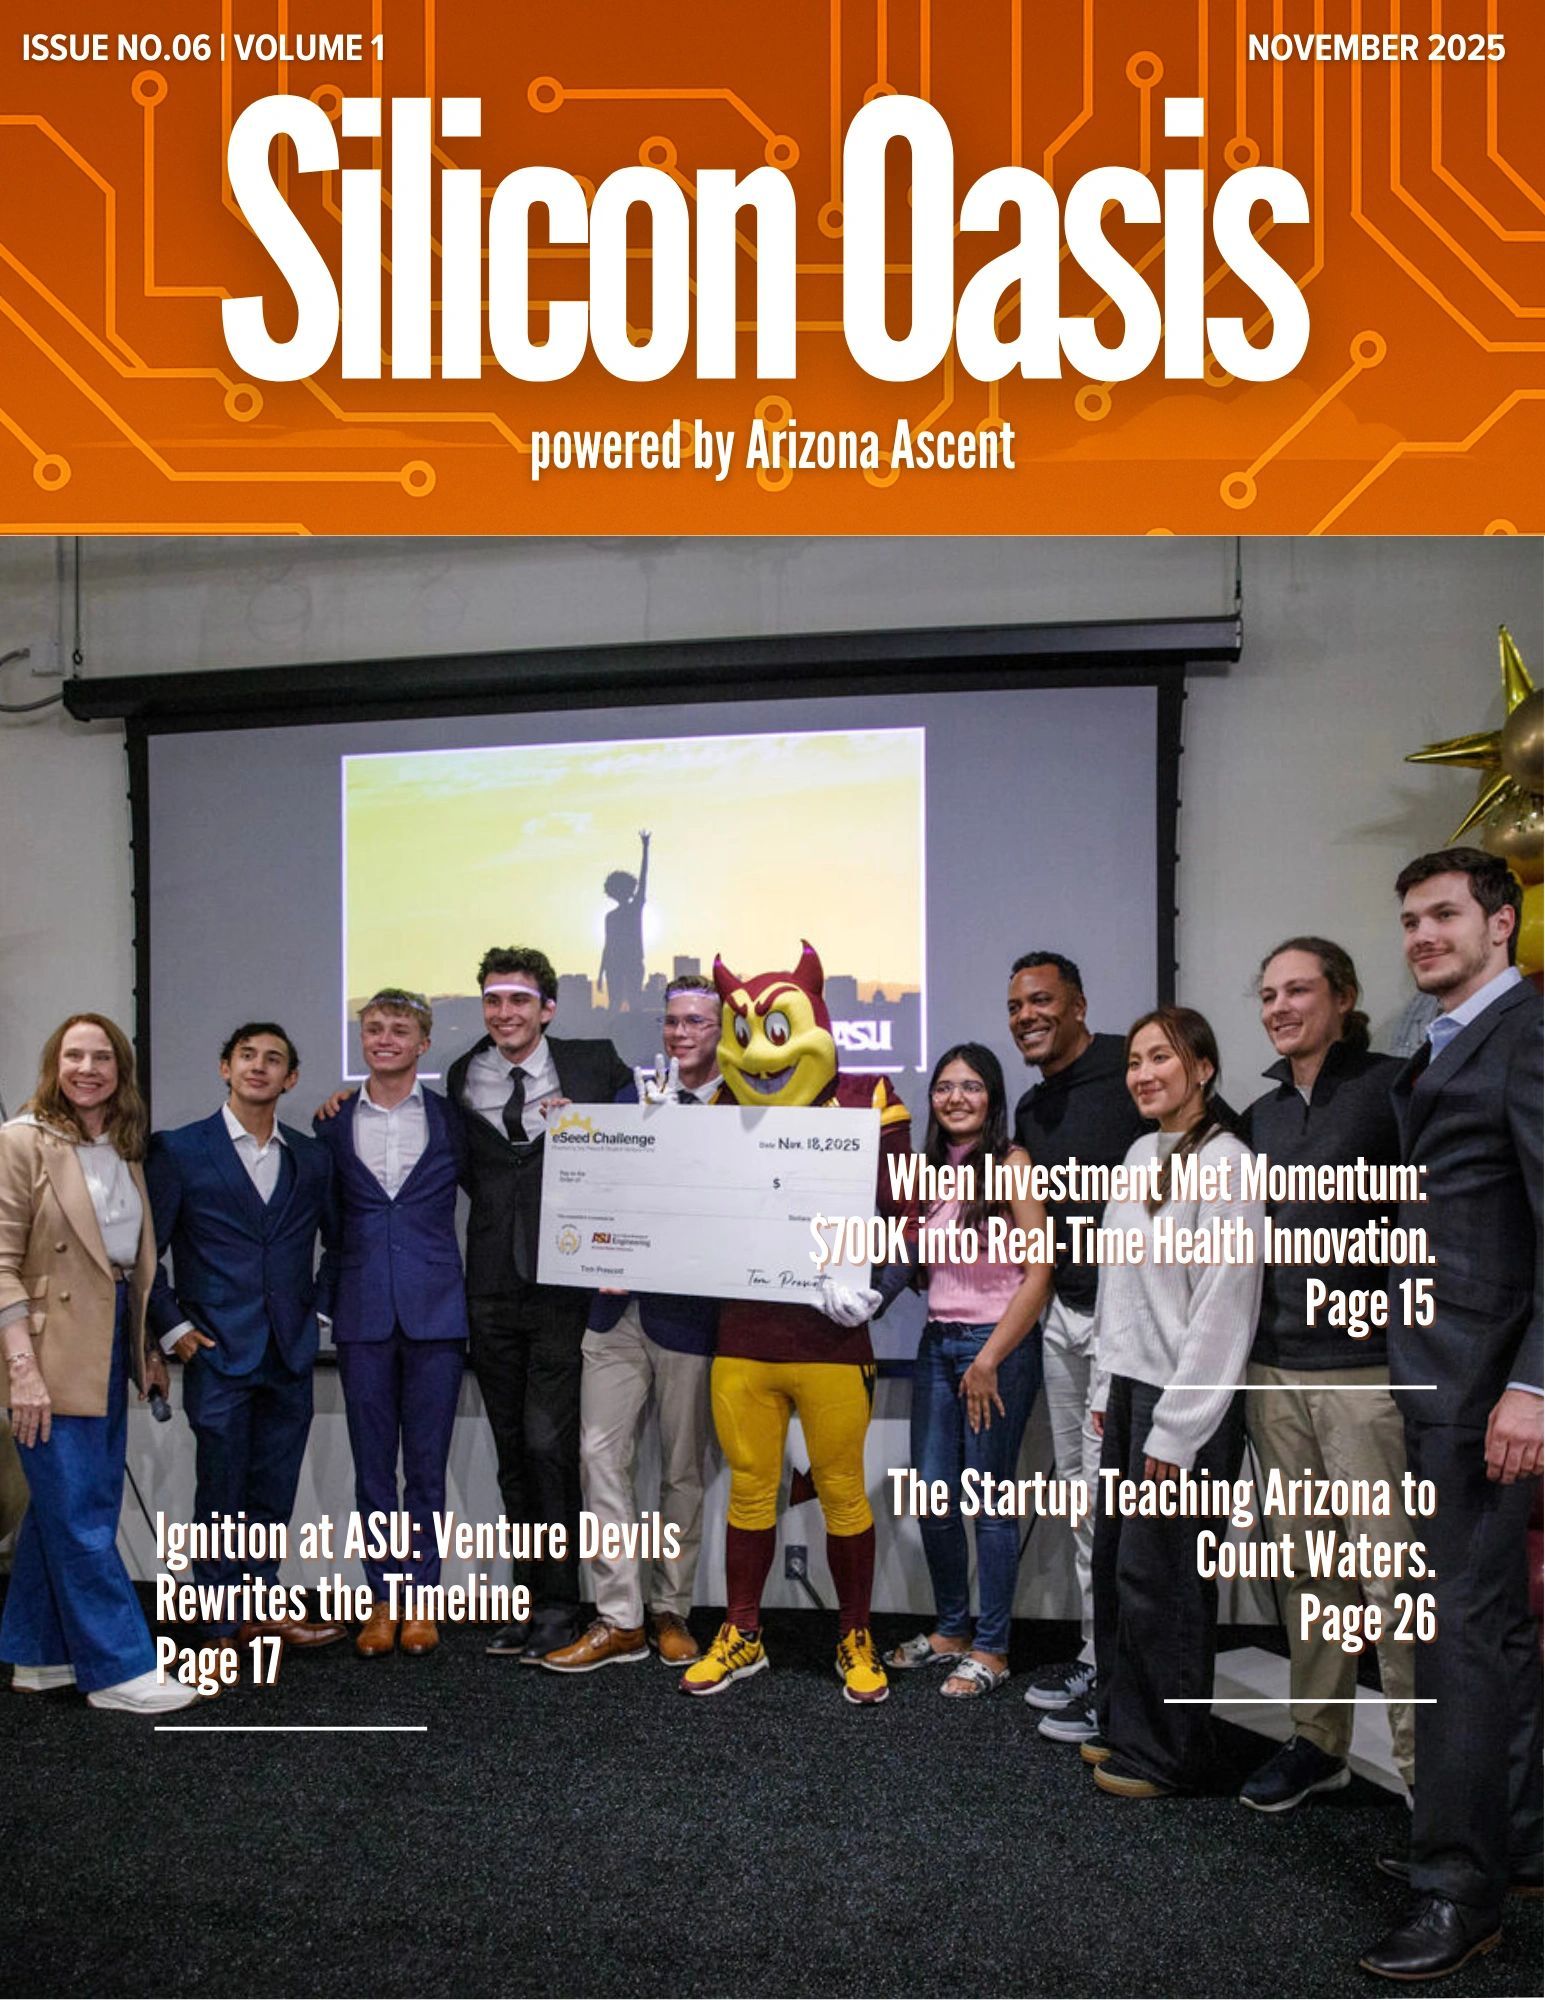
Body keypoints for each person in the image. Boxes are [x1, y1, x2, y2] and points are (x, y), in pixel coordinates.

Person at [1359, 848, 1542, 1983]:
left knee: (1460, 1639)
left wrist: (1536, 1381)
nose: (1422, 934)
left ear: (1503, 923)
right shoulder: (1447, 1040)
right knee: (1492, 1634)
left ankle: (1455, 1889)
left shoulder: (1528, 1034)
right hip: (1445, 1376)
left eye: (1443, 915)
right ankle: (1506, 1845)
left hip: (1488, 1390)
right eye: (1410, 917)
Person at [682, 941, 914, 1704]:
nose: (756, 1051)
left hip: (832, 1340)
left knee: (843, 1490)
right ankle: (743, 1631)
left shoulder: (867, 1097)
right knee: (751, 1490)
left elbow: (905, 1218)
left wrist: (878, 1289)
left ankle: (855, 1633)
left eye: (774, 1029)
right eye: (740, 1032)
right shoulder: (717, 1108)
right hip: (743, 1340)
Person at [1237, 938, 1416, 1811]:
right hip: (1272, 1370)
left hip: (1365, 1372)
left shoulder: (1394, 1088)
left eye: (1297, 989)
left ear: (1342, 997)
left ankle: (1433, 1786)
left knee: (1388, 1578)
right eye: (1267, 993)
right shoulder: (1259, 1114)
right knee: (1308, 1569)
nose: (1278, 1006)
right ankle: (1318, 1743)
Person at [1088, 1006, 1264, 1798]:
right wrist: (1102, 1390)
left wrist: (1175, 1431)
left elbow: (1223, 1312)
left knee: (1166, 1587)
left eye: (1161, 1057)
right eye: (1133, 1061)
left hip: (1183, 1407)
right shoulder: (1135, 1153)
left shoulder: (1227, 1165)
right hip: (1129, 1393)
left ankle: (1168, 1753)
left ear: (1202, 1068)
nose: (1142, 1073)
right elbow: (1118, 1287)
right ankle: (1127, 1728)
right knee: (1123, 1573)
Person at [0, 1016, 195, 1712]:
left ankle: (41, 1655)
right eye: (74, 1055)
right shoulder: (21, 1141)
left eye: (102, 1056)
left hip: (111, 1340)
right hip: (45, 1352)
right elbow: (0, 1266)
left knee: (69, 1505)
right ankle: (119, 1670)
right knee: (82, 1512)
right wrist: (22, 1371)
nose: (88, 1067)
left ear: (122, 1070)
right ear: (55, 1064)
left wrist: (143, 1346)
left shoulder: (125, 1147)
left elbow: (124, 1262)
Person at [446, 946, 631, 1662]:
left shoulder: (594, 1064)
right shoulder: (466, 1073)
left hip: (563, 1282)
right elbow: (472, 1174)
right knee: (509, 1453)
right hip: (489, 1283)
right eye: (493, 1000)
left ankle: (562, 1602)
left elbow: (634, 1148)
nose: (505, 1014)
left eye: (519, 1001)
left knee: (549, 1444)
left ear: (547, 1008)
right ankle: (530, 1600)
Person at [542, 974, 723, 1673]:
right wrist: (571, 1137)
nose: (680, 1035)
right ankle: (617, 1617)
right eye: (672, 1022)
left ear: (718, 1031)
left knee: (680, 1472)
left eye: (695, 1024)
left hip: (691, 1319)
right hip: (613, 1311)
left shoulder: (744, 1111)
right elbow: (595, 1192)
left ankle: (669, 1609)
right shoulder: (626, 1100)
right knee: (599, 1460)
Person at [147, 1022, 343, 1662]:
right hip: (215, 1352)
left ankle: (258, 1611)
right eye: (247, 1056)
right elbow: (147, 1254)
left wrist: (315, 1308)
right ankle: (214, 1628)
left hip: (288, 1352)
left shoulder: (311, 1155)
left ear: (290, 1079)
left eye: (274, 1060)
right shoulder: (178, 1150)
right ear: (224, 1067)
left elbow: (338, 1245)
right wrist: (173, 1328)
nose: (259, 1067)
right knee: (220, 1493)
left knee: (271, 1491)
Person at [1007, 951, 1145, 1739]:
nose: (1025, 1016)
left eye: (1039, 1001)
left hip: (1129, 1329)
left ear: (1078, 1004)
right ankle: (1099, 1661)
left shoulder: (1131, 1069)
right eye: (1014, 1006)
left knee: (1120, 1510)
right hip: (1063, 1319)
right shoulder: (1030, 1110)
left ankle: (1126, 1682)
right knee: (1082, 1507)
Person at [884, 1044, 1051, 1697]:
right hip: (936, 1344)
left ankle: (991, 1648)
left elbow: (1039, 1272)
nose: (956, 1097)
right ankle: (951, 1629)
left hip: (995, 1349)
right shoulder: (926, 1171)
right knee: (932, 1494)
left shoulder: (1011, 1164)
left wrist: (988, 1358)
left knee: (987, 1498)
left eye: (971, 1086)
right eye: (944, 1087)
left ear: (992, 1096)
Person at [312, 989, 469, 1659]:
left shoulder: (453, 1119)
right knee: (374, 1469)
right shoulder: (331, 1120)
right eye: (373, 1028)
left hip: (437, 1311)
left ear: (422, 1043)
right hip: (362, 1312)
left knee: (427, 1470)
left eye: (398, 1029)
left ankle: (421, 1600)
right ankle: (381, 1600)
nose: (384, 1038)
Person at [598, 829, 650, 1014]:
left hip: (632, 961)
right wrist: (600, 973)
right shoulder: (611, 917)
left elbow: (644, 878)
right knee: (616, 1003)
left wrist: (645, 848)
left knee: (635, 1002)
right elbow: (608, 945)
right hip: (616, 964)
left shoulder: (635, 907)